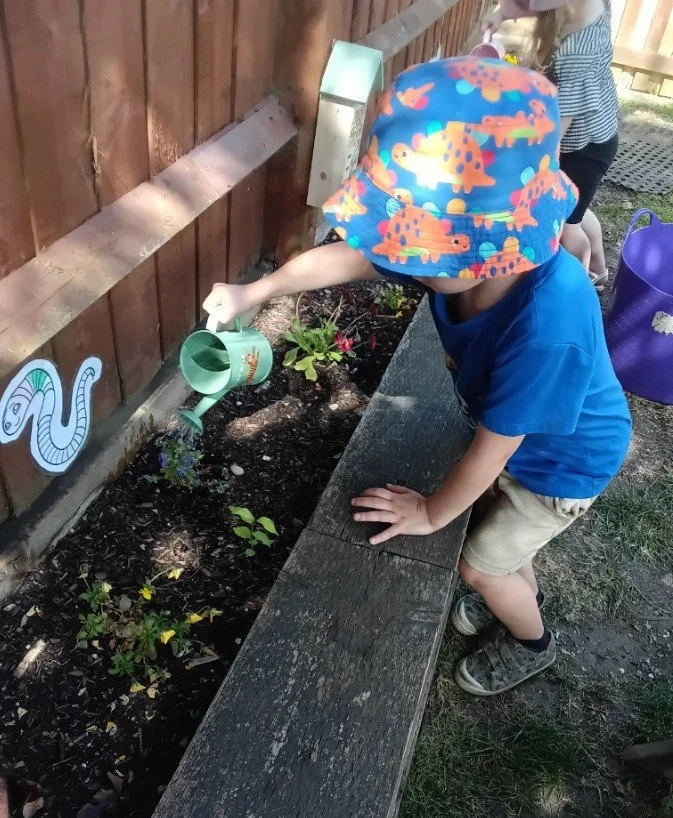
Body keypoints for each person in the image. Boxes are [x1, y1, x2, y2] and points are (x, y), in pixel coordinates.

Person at [204, 57, 632, 695]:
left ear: (476, 246)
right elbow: (351, 257)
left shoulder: (546, 326)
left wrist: (432, 514)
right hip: (526, 447)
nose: (394, 258)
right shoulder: (464, 258)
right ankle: (513, 579)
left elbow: (494, 447)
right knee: (502, 542)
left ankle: (532, 641)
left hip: (562, 469)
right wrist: (253, 291)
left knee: (476, 565)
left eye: (412, 250)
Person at [482, 0, 620, 288]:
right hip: (600, 135)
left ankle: (577, 284)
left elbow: (555, 132)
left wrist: (528, 165)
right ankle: (600, 269)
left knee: (567, 226)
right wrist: (502, 14)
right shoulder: (592, 6)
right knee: (578, 209)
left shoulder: (575, 53)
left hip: (583, 147)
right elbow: (540, 4)